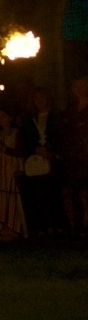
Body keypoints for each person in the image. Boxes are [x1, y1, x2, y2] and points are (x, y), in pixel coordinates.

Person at [18, 88, 63, 235]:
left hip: (52, 160)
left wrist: (50, 150)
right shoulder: (30, 119)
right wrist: (35, 149)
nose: (38, 101)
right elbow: (25, 139)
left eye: (41, 97)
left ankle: (57, 224)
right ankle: (42, 225)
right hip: (35, 160)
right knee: (38, 192)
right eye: (35, 98)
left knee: (54, 193)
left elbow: (61, 136)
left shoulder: (57, 116)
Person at [0, 106, 28, 241]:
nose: (1, 119)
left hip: (11, 170)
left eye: (4, 116)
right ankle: (3, 228)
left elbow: (19, 152)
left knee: (11, 198)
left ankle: (14, 228)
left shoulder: (16, 133)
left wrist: (4, 148)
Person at [59, 77, 88, 235]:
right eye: (75, 86)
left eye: (82, 86)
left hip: (85, 156)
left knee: (84, 192)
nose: (78, 89)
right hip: (71, 156)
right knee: (68, 192)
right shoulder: (70, 109)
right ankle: (73, 226)